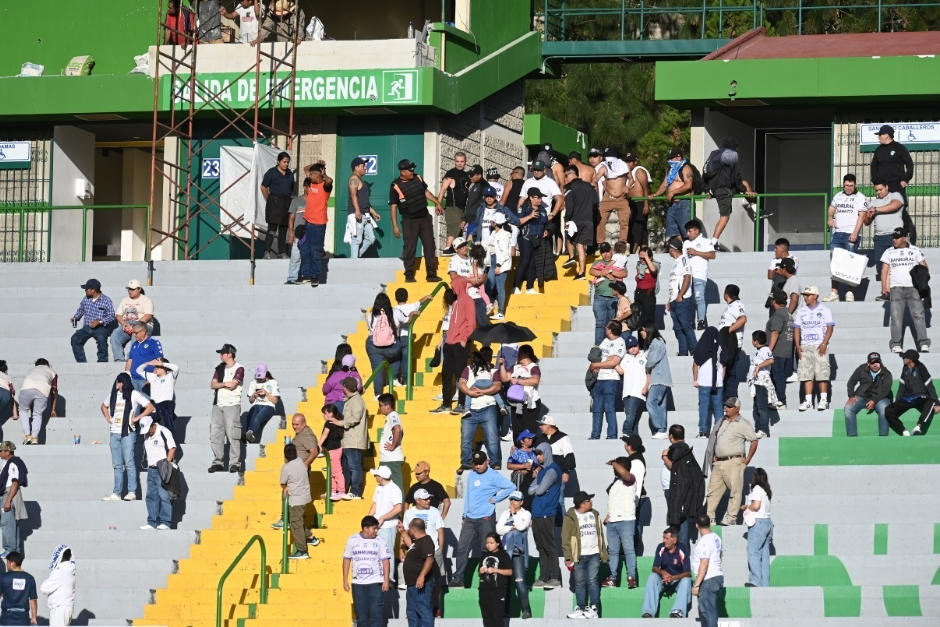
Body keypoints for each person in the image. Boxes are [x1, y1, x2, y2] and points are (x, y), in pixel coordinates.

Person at [450, 451, 514, 588]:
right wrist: (464, 514)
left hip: (486, 516)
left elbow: (511, 487)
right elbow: (468, 495)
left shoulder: (494, 475)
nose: (478, 466)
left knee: (486, 548)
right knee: (462, 548)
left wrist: (496, 499)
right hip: (470, 518)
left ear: (487, 462)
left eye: (480, 463)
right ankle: (458, 578)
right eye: (475, 463)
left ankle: (487, 576)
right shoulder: (472, 474)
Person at [704, 398, 759, 526]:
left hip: (734, 461)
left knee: (735, 490)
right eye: (726, 406)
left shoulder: (743, 423)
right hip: (719, 462)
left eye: (729, 407)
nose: (726, 408)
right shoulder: (722, 421)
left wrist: (747, 460)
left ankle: (731, 517)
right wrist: (714, 455)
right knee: (713, 491)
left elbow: (754, 440)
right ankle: (710, 518)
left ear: (737, 408)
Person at [100, 372, 155, 501]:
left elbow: (150, 407)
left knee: (129, 463)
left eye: (120, 382)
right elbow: (103, 406)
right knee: (117, 465)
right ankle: (116, 493)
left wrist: (137, 418)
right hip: (114, 433)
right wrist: (108, 417)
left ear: (125, 382)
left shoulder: (133, 394)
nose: (118, 384)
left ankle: (132, 492)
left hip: (128, 432)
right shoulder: (113, 395)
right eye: (117, 382)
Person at [390, 158, 443, 283]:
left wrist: (437, 203)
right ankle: (409, 274)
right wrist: (395, 226)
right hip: (409, 221)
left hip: (424, 218)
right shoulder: (395, 186)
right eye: (410, 169)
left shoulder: (418, 178)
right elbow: (393, 207)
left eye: (413, 168)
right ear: (402, 172)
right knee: (410, 247)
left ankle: (431, 274)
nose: (412, 171)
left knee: (430, 245)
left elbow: (425, 192)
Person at [881, 227, 930, 352]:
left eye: (897, 238)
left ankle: (924, 343)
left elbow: (924, 266)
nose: (894, 240)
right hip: (896, 288)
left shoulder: (915, 250)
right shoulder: (889, 251)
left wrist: (922, 282)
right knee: (896, 317)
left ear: (904, 238)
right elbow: (885, 269)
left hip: (913, 288)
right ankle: (896, 344)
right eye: (893, 237)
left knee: (918, 315)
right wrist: (884, 287)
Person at [562, 491, 608, 619]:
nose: (591, 502)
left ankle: (593, 608)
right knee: (580, 582)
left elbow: (600, 536)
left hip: (594, 554)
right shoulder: (570, 516)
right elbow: (565, 538)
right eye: (589, 500)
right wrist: (568, 556)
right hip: (579, 555)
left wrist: (602, 552)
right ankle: (581, 608)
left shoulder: (595, 514)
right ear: (582, 504)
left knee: (593, 581)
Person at [271, 413, 321, 529]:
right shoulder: (300, 434)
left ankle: (286, 520)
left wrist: (305, 465)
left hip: (299, 473)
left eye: (297, 424)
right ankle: (287, 519)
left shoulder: (306, 435)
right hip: (295, 471)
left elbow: (314, 451)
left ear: (304, 423)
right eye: (293, 424)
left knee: (289, 495)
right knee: (288, 494)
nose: (294, 427)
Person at [702, 136, 755, 244]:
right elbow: (736, 176)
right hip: (723, 189)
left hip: (715, 188)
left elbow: (704, 172)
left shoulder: (714, 153)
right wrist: (744, 191)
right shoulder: (731, 154)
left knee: (745, 183)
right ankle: (713, 243)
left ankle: (756, 210)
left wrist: (707, 189)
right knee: (725, 216)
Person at [824, 173, 868, 302]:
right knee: (835, 264)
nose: (848, 188)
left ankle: (850, 292)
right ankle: (834, 293)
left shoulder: (860, 197)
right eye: (846, 185)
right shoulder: (838, 196)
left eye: (851, 186)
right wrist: (829, 218)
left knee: (850, 264)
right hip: (837, 234)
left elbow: (862, 216)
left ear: (855, 185)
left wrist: (855, 233)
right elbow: (831, 209)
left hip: (850, 234)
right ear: (843, 185)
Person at [457, 351, 502, 471]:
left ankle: (495, 462)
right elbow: (461, 383)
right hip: (471, 409)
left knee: (492, 437)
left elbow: (498, 386)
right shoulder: (468, 369)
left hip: (488, 406)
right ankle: (466, 463)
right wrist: (469, 392)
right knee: (466, 438)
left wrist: (481, 392)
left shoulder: (493, 370)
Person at [343, 516, 391, 627]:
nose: (376, 531)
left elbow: (385, 561)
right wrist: (345, 580)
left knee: (376, 616)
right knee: (362, 617)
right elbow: (346, 559)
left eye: (377, 528)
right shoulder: (352, 540)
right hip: (358, 584)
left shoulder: (380, 541)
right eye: (374, 528)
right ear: (365, 528)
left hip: (376, 583)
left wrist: (386, 580)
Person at [527, 443, 563, 591]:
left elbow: (540, 490)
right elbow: (530, 490)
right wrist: (539, 486)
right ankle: (543, 577)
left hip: (547, 513)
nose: (538, 457)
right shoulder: (542, 471)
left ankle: (554, 577)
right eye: (536, 454)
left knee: (549, 546)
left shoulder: (553, 470)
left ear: (547, 453)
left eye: (540, 454)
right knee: (541, 547)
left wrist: (540, 486)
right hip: (536, 514)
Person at [870, 124, 915, 241]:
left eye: (880, 134)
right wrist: (875, 182)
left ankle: (904, 235)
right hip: (883, 187)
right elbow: (873, 166)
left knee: (900, 208)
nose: (878, 137)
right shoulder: (878, 150)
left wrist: (906, 179)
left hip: (896, 184)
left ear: (887, 135)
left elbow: (909, 164)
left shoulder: (900, 148)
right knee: (882, 208)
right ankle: (883, 234)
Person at [793, 286, 835, 411]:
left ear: (816, 296)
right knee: (806, 375)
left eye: (809, 295)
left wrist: (824, 343)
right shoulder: (801, 311)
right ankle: (808, 401)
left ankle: (823, 400)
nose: (806, 297)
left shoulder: (825, 309)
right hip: (805, 345)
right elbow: (797, 328)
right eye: (805, 295)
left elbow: (830, 327)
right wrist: (798, 345)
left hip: (819, 345)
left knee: (822, 373)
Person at [663, 425, 705, 547]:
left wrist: (665, 457)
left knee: (680, 520)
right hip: (677, 490)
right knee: (677, 520)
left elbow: (677, 469)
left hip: (677, 491)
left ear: (671, 436)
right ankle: (677, 554)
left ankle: (681, 554)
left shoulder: (678, 450)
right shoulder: (683, 449)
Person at [864, 180, 906, 297]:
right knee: (883, 265)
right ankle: (886, 291)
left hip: (894, 236)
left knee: (896, 264)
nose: (878, 192)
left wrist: (876, 210)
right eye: (876, 190)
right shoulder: (873, 202)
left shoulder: (895, 195)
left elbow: (895, 205)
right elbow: (867, 222)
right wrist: (868, 215)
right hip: (879, 237)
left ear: (887, 187)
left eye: (880, 189)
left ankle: (896, 291)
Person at [329, 378, 369, 499]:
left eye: (343, 386)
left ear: (346, 388)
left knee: (354, 467)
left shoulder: (357, 401)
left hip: (354, 441)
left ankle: (356, 492)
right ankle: (344, 490)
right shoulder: (352, 400)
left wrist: (339, 422)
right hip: (348, 440)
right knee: (346, 467)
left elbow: (355, 418)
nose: (342, 389)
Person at [495, 491, 532, 619]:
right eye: (511, 499)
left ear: (521, 502)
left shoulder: (526, 513)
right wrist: (511, 527)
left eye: (516, 500)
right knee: (504, 583)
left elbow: (522, 526)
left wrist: (513, 515)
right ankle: (505, 611)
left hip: (517, 553)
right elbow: (498, 529)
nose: (512, 502)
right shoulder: (504, 513)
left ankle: (526, 610)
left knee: (520, 582)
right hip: (505, 552)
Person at [885, 349, 940, 436]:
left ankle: (919, 428)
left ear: (911, 359)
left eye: (905, 357)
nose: (903, 359)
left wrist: (937, 403)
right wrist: (897, 402)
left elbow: (930, 386)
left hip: (921, 398)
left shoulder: (921, 367)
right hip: (908, 398)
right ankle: (903, 431)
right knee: (888, 410)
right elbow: (902, 386)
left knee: (931, 403)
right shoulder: (905, 367)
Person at [640, 527, 691, 618]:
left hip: (677, 581)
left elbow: (687, 572)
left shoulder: (682, 549)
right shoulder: (661, 547)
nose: (664, 541)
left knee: (687, 580)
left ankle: (677, 612)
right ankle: (648, 612)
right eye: (663, 538)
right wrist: (663, 572)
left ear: (674, 540)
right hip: (663, 580)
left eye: (667, 538)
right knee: (652, 576)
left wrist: (673, 578)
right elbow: (654, 567)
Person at [208, 343, 244, 473]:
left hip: (232, 404)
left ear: (229, 354)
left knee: (232, 433)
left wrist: (220, 384)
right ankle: (218, 461)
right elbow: (212, 384)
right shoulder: (219, 368)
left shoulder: (239, 368)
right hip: (218, 404)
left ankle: (235, 462)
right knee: (215, 434)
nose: (220, 355)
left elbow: (233, 385)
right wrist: (224, 384)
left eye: (222, 353)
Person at [603, 457, 637, 589]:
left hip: (626, 520)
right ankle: (612, 578)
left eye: (615, 467)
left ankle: (631, 577)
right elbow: (616, 501)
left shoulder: (630, 479)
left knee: (629, 550)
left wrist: (614, 462)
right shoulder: (616, 482)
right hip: (612, 521)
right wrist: (608, 515)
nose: (614, 470)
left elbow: (624, 474)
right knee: (613, 551)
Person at [138, 416, 176, 531]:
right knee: (151, 496)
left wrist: (167, 465)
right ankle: (152, 522)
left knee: (164, 495)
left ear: (152, 424)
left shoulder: (164, 431)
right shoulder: (147, 435)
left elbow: (172, 448)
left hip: (162, 468)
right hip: (151, 469)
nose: (148, 432)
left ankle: (166, 522)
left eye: (149, 429)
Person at [298, 162, 333, 286]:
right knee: (305, 248)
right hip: (308, 222)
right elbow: (305, 168)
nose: (311, 176)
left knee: (315, 250)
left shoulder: (325, 186)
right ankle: (305, 275)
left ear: (320, 175)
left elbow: (330, 181)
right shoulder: (312, 183)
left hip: (318, 224)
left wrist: (325, 174)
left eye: (314, 174)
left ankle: (315, 276)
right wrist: (317, 163)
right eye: (311, 174)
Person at [590, 322, 626, 440]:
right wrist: (598, 364)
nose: (605, 329)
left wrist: (597, 365)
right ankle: (595, 435)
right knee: (597, 409)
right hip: (598, 379)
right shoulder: (605, 341)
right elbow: (597, 356)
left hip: (611, 379)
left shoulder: (620, 342)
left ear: (610, 330)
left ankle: (611, 435)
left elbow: (613, 362)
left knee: (609, 408)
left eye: (606, 327)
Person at [844, 352, 893, 437]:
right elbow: (851, 382)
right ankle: (852, 436)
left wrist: (874, 400)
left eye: (877, 362)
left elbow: (886, 390)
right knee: (848, 407)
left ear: (880, 362)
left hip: (880, 398)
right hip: (862, 396)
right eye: (872, 363)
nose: (875, 365)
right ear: (868, 363)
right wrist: (851, 396)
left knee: (884, 408)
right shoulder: (861, 369)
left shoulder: (887, 373)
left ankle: (883, 436)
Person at [500, 344, 542, 442]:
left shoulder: (533, 367)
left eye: (520, 353)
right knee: (517, 429)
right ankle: (518, 451)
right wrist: (502, 365)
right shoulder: (515, 367)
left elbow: (535, 380)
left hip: (530, 403)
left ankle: (529, 452)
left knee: (529, 430)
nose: (517, 355)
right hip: (516, 402)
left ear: (526, 354)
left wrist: (518, 381)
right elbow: (505, 378)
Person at [400, 518, 436, 626]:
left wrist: (422, 576)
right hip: (412, 585)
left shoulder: (426, 540)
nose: (408, 530)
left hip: (421, 584)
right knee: (412, 613)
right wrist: (402, 531)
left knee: (423, 611)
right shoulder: (417, 542)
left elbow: (430, 559)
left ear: (413, 530)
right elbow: (410, 544)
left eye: (409, 528)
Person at [368, 466, 403, 579]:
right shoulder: (378, 488)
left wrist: (383, 518)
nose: (375, 477)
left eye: (376, 475)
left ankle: (389, 579)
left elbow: (398, 508)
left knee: (387, 553)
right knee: (376, 553)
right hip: (377, 527)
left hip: (388, 526)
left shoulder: (394, 489)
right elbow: (375, 505)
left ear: (381, 477)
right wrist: (368, 519)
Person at [70, 278, 116, 363]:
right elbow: (81, 310)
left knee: (101, 339)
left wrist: (99, 321)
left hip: (101, 327)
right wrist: (76, 317)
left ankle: (102, 361)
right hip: (87, 327)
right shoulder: (85, 299)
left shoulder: (106, 300)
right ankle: (82, 363)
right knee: (75, 339)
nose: (85, 291)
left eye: (86, 289)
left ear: (93, 290)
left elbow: (112, 315)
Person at [562, 164, 596, 278]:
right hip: (589, 220)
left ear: (572, 174)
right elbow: (596, 203)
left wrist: (566, 219)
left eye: (566, 175)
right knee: (581, 246)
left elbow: (569, 205)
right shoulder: (589, 186)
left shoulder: (570, 187)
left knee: (569, 238)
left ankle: (571, 257)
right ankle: (581, 273)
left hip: (575, 220)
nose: (566, 178)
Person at [590, 242, 628, 345]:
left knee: (612, 324)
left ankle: (611, 345)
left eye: (607, 251)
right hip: (599, 297)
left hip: (613, 298)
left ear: (612, 251)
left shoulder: (618, 261)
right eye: (603, 252)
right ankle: (598, 346)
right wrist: (606, 274)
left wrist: (608, 272)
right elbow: (592, 271)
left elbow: (624, 273)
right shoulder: (597, 261)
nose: (605, 254)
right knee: (599, 324)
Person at [652, 148, 694, 241]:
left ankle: (690, 248)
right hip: (672, 204)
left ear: (679, 157)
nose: (670, 160)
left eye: (672, 158)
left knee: (686, 231)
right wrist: (655, 194)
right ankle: (684, 247)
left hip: (684, 203)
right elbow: (665, 184)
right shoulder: (670, 170)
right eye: (670, 158)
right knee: (672, 231)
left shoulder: (686, 168)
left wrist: (673, 192)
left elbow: (688, 185)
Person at [280, 443, 313, 559]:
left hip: (296, 500)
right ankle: (309, 536)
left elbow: (283, 483)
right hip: (305, 497)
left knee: (295, 524)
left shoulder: (286, 467)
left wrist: (286, 488)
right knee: (300, 519)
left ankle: (302, 550)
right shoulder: (300, 461)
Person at [591, 149, 631, 245]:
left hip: (622, 198)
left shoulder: (624, 167)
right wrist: (594, 186)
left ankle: (622, 242)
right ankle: (600, 243)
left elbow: (631, 179)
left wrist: (628, 187)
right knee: (600, 220)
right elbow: (595, 179)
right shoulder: (604, 167)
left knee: (624, 221)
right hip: (607, 198)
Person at [693, 327, 727, 439]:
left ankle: (703, 432)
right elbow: (724, 364)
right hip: (717, 383)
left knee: (703, 407)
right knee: (718, 407)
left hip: (703, 382)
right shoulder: (721, 347)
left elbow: (695, 365)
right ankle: (720, 431)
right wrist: (720, 378)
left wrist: (695, 379)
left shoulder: (701, 347)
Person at [365, 292, 402, 396]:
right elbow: (407, 320)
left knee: (377, 370)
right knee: (397, 354)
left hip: (373, 345)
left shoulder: (371, 315)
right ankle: (394, 378)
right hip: (392, 346)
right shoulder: (395, 312)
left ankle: (378, 394)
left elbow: (370, 329)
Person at [394, 289, 433, 385]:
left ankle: (394, 379)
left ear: (395, 298)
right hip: (407, 336)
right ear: (407, 297)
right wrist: (428, 296)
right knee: (405, 360)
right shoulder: (412, 306)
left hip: (395, 337)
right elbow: (421, 301)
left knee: (395, 359)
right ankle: (405, 381)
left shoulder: (393, 309)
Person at [640, 322, 672, 439]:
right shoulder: (657, 342)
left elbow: (652, 360)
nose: (641, 333)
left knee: (651, 402)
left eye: (642, 331)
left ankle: (660, 427)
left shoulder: (656, 342)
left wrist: (646, 367)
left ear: (648, 330)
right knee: (661, 405)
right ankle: (662, 429)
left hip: (659, 378)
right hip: (660, 378)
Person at [260, 151, 295, 258]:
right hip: (274, 202)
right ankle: (267, 251)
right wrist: (269, 199)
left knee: (284, 228)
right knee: (272, 228)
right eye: (284, 162)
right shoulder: (271, 172)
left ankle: (282, 252)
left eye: (287, 162)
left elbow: (291, 189)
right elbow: (263, 187)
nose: (286, 164)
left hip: (286, 202)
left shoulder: (290, 174)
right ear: (278, 161)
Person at [690, 514, 723, 627]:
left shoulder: (704, 541)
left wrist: (697, 584)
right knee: (709, 610)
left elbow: (704, 563)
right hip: (716, 575)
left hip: (708, 579)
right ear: (709, 523)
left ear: (696, 525)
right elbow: (720, 556)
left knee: (707, 611)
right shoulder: (716, 537)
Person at [110, 279, 155, 361]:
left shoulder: (146, 300)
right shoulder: (124, 300)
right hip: (127, 324)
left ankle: (131, 359)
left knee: (136, 334)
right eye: (129, 289)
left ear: (139, 289)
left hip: (143, 324)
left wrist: (136, 326)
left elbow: (148, 316)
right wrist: (124, 324)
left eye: (133, 289)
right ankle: (119, 360)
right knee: (114, 336)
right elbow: (118, 315)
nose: (130, 291)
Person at [666, 239, 697, 356]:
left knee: (685, 326)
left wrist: (681, 295)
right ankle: (683, 352)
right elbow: (673, 283)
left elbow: (687, 277)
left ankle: (695, 350)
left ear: (672, 249)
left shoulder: (684, 259)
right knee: (678, 329)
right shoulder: (676, 262)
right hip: (674, 300)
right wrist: (669, 300)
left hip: (682, 300)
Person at [743, 468, 773, 588]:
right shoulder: (766, 490)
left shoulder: (756, 489)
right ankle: (765, 584)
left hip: (758, 523)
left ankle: (755, 581)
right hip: (767, 522)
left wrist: (746, 508)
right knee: (764, 555)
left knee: (753, 552)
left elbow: (756, 506)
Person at [683, 220, 716, 329]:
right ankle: (690, 321)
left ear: (697, 231)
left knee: (699, 297)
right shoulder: (686, 243)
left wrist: (696, 252)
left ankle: (701, 321)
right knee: (688, 299)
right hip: (687, 275)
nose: (687, 234)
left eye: (690, 231)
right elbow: (684, 259)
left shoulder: (706, 241)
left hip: (699, 275)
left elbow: (712, 255)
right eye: (687, 231)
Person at [16, 360, 57, 446]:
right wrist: (53, 408)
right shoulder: (52, 371)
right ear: (47, 364)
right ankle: (34, 438)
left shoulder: (31, 370)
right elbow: (54, 391)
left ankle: (27, 436)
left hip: (26, 388)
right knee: (37, 414)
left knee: (23, 411)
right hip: (42, 390)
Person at [717, 284, 747, 401]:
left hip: (731, 343)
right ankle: (727, 398)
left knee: (730, 371)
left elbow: (743, 319)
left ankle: (730, 398)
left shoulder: (737, 305)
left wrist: (728, 330)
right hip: (727, 342)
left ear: (726, 294)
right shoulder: (732, 305)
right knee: (726, 370)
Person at [347, 157, 381, 258]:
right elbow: (353, 196)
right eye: (363, 166)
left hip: (365, 215)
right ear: (356, 167)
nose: (365, 168)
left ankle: (356, 257)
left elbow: (365, 201)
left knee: (371, 238)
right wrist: (357, 211)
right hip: (357, 214)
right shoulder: (353, 179)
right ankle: (354, 262)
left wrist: (374, 213)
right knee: (356, 239)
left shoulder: (360, 180)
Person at [477, 533, 513, 627]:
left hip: (498, 591)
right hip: (484, 591)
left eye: (491, 543)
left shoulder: (503, 555)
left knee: (497, 617)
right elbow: (479, 572)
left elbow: (510, 572)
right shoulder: (484, 555)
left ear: (497, 543)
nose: (488, 545)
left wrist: (495, 570)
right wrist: (481, 571)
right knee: (486, 618)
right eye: (487, 543)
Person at [137, 358, 179, 436]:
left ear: (164, 368)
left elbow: (176, 368)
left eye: (158, 366)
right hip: (154, 407)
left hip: (166, 407)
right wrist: (148, 362)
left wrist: (162, 364)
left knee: (167, 431)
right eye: (155, 366)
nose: (156, 368)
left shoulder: (170, 376)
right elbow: (138, 370)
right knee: (152, 431)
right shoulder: (152, 377)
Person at [766, 291, 793, 409]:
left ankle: (781, 401)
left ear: (774, 301)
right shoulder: (788, 314)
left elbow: (775, 332)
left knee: (777, 377)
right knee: (779, 376)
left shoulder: (778, 315)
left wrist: (769, 350)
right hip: (787, 351)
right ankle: (778, 400)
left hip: (777, 352)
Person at [438, 153, 471, 252]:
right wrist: (438, 205)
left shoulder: (467, 176)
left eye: (462, 161)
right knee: (454, 228)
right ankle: (447, 249)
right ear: (454, 161)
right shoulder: (450, 174)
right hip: (452, 207)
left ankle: (454, 251)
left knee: (459, 232)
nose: (460, 164)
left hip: (462, 208)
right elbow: (443, 190)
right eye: (457, 161)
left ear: (466, 162)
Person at [747, 331, 777, 439]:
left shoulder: (765, 350)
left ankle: (763, 430)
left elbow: (771, 360)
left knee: (761, 408)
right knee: (756, 408)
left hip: (762, 382)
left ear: (756, 341)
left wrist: (758, 366)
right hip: (756, 382)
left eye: (752, 340)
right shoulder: (757, 352)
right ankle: (758, 428)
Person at [484, 213, 512, 320]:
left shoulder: (504, 234)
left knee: (500, 288)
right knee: (489, 284)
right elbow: (487, 246)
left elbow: (505, 252)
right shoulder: (494, 233)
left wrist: (499, 265)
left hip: (500, 263)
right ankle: (488, 305)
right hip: (492, 261)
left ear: (495, 222)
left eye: (492, 221)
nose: (490, 222)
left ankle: (501, 312)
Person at [0, 443, 27, 555]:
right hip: (8, 493)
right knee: (12, 523)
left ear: (8, 452)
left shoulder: (13, 463)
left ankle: (10, 549)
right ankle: (16, 552)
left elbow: (15, 482)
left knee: (7, 522)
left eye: (1, 451)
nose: (0, 453)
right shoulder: (9, 463)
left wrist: (8, 501)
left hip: (9, 493)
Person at [619, 336, 649, 436]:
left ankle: (626, 432)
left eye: (635, 346)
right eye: (630, 347)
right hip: (627, 393)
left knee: (631, 415)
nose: (633, 349)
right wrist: (613, 363)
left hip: (638, 392)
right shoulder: (626, 357)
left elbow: (649, 373)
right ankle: (634, 438)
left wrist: (646, 387)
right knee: (633, 418)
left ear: (638, 345)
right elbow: (621, 371)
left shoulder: (644, 356)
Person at [40, 544, 75, 627]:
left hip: (59, 609)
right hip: (66, 607)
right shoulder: (70, 568)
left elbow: (44, 588)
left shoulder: (60, 571)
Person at [124, 321, 164, 393]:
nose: (134, 335)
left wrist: (153, 378)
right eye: (133, 333)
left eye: (136, 333)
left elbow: (159, 361)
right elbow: (130, 360)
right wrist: (126, 375)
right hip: (133, 380)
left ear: (144, 331)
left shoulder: (154, 342)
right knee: (133, 404)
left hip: (146, 380)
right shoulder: (134, 344)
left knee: (147, 402)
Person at [244, 363, 280, 443]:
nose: (259, 380)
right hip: (257, 405)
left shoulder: (273, 382)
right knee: (250, 414)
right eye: (258, 377)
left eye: (261, 377)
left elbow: (275, 401)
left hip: (269, 406)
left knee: (258, 417)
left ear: (266, 374)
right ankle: (249, 435)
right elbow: (251, 401)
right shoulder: (253, 383)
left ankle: (249, 433)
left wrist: (266, 393)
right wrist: (254, 395)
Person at [0, 551, 37, 626]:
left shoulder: (3, 577)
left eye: (7, 562)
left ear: (12, 563)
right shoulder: (30, 578)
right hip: (23, 620)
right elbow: (33, 600)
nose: (6, 565)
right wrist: (34, 618)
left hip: (6, 619)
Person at [625, 153, 652, 253]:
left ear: (635, 162)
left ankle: (633, 252)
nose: (628, 164)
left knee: (637, 228)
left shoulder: (639, 171)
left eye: (630, 161)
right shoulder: (627, 173)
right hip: (632, 203)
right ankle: (643, 252)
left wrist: (646, 204)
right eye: (626, 161)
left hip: (639, 202)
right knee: (640, 229)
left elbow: (645, 188)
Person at [318, 404, 346, 500]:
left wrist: (318, 446)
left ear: (331, 413)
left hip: (334, 450)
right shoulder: (336, 422)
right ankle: (333, 491)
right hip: (332, 450)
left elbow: (325, 435)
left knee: (337, 472)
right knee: (331, 472)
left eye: (325, 413)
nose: (323, 416)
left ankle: (341, 491)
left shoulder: (329, 423)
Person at [632, 246, 659, 326]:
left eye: (644, 258)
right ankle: (640, 338)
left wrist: (646, 258)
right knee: (638, 321)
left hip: (648, 295)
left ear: (650, 257)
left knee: (648, 321)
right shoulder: (639, 266)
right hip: (638, 294)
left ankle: (649, 338)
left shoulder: (655, 265)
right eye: (640, 258)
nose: (642, 260)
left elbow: (654, 271)